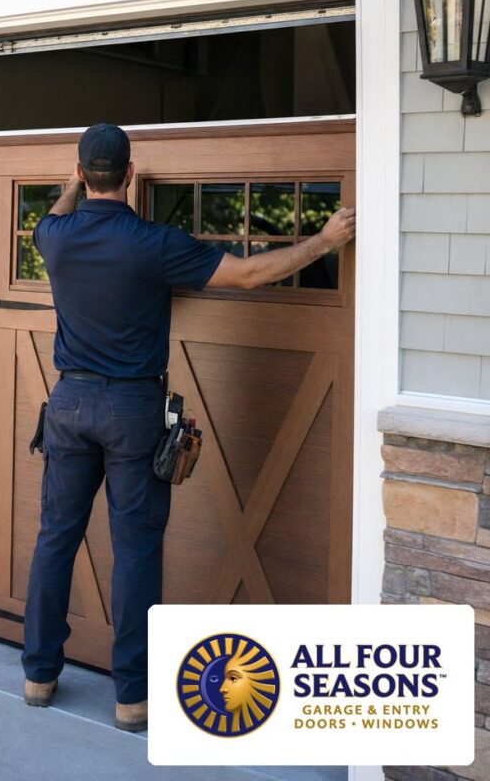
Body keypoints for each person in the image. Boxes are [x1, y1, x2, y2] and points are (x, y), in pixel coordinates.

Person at [21, 123, 355, 732]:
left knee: (55, 540)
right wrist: (324, 240)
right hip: (131, 410)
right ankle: (132, 699)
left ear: (79, 172)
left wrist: (73, 185)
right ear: (129, 174)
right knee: (136, 552)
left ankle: (38, 676)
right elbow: (252, 274)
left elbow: (56, 211)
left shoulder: (55, 236)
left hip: (68, 405)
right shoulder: (152, 242)